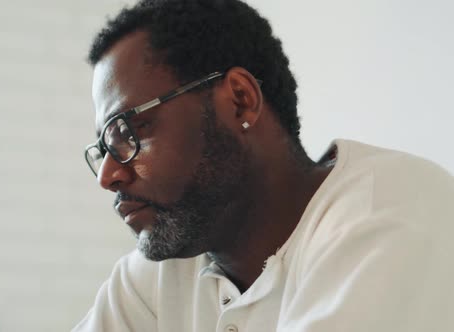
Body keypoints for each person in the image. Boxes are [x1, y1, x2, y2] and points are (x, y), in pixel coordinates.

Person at [73, 0, 454, 331]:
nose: (108, 175)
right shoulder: (153, 278)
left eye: (127, 133)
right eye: (104, 148)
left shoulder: (390, 210)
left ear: (239, 100)